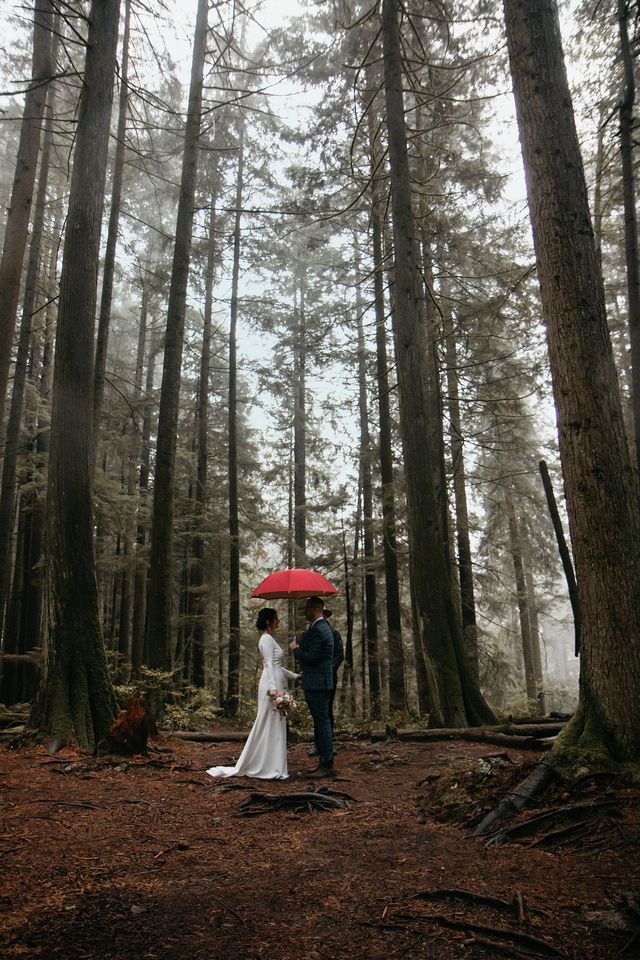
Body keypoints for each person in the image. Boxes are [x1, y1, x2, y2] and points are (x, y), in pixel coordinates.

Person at [206, 608, 300, 780]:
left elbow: (277, 666)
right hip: (271, 686)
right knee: (266, 722)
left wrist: (294, 675)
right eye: (276, 618)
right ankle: (263, 765)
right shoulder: (265, 639)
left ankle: (273, 765)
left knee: (276, 723)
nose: (278, 621)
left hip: (276, 683)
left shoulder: (270, 639)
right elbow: (269, 665)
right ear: (268, 621)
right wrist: (273, 689)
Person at [290, 596, 335, 777]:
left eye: (306, 608)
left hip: (317, 683)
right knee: (321, 722)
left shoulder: (319, 629)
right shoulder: (319, 628)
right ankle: (325, 762)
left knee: (322, 722)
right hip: (319, 682)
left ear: (314, 608)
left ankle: (326, 764)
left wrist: (296, 649)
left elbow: (313, 657)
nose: (304, 612)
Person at [309, 608, 344, 757]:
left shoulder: (334, 634)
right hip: (315, 678)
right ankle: (317, 744)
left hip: (329, 678)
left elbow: (339, 656)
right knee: (318, 713)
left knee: (327, 711)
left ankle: (329, 744)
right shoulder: (312, 634)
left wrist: (327, 669)